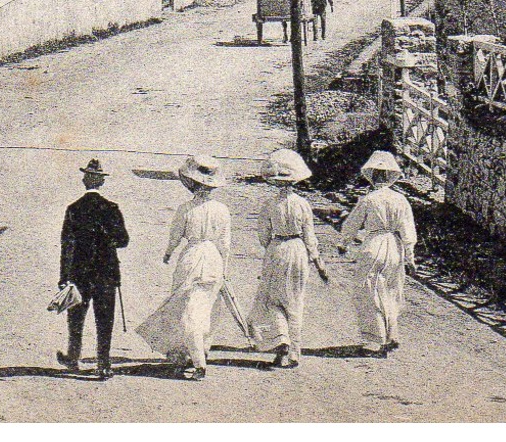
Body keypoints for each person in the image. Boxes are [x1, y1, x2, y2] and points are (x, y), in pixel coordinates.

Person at [134, 155, 232, 381]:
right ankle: (195, 352)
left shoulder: (186, 209)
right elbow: (225, 243)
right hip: (214, 260)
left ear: (191, 184)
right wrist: (224, 268)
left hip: (192, 258)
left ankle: (196, 361)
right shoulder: (222, 210)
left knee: (184, 308)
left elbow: (175, 235)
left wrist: (168, 252)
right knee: (206, 308)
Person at [248, 148, 329, 369]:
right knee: (295, 300)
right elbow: (310, 237)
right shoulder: (303, 204)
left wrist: (273, 242)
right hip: (298, 250)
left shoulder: (269, 205)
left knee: (273, 298)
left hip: (277, 249)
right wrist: (318, 262)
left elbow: (263, 237)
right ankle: (294, 352)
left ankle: (280, 340)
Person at [337, 151, 417, 357]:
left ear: (373, 177)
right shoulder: (401, 200)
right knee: (390, 291)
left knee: (368, 292)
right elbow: (408, 231)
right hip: (394, 247)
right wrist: (410, 257)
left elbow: (352, 224)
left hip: (374, 245)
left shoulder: (369, 200)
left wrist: (344, 242)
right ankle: (391, 335)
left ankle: (376, 339)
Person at [57, 158, 130, 379]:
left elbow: (67, 246)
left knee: (76, 316)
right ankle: (103, 364)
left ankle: (73, 357)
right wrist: (106, 240)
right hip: (106, 272)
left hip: (79, 273)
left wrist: (64, 277)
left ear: (85, 181)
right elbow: (123, 240)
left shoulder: (73, 209)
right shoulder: (112, 208)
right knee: (105, 318)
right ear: (101, 183)